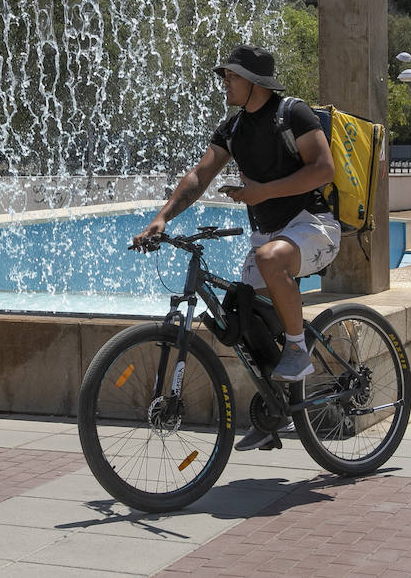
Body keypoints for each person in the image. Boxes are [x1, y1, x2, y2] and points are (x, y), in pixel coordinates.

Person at [131, 43, 342, 452]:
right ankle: (274, 408)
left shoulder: (293, 114)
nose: (224, 82)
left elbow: (323, 169)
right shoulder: (232, 130)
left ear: (255, 83)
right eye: (224, 75)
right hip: (270, 234)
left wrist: (262, 192)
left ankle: (299, 350)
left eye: (231, 75)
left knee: (268, 259)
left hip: (314, 226)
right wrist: (161, 218)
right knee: (242, 320)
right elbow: (199, 175)